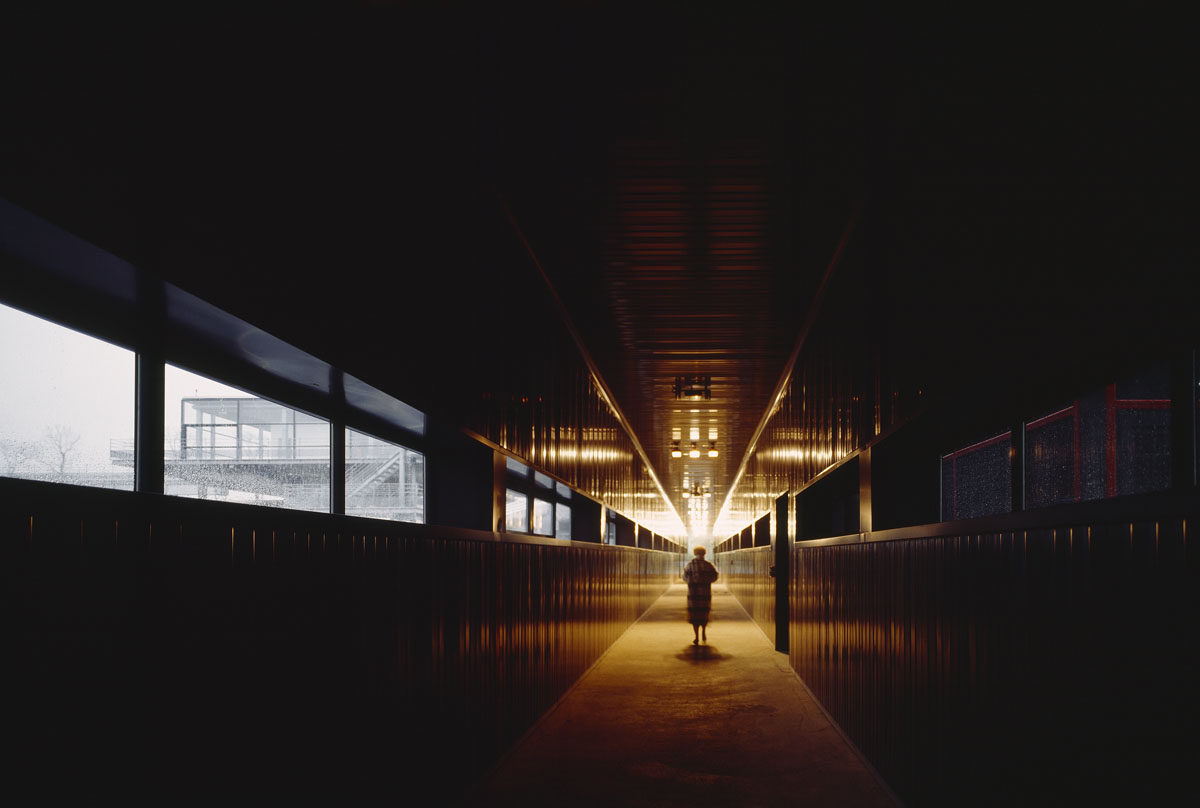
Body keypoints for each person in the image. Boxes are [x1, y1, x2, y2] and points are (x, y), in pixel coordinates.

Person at [681, 546, 719, 644]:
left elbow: (684, 577)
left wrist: (692, 581)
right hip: (705, 594)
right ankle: (704, 632)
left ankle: (696, 636)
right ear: (704, 553)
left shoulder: (689, 565)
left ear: (694, 553)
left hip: (693, 594)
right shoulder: (708, 565)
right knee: (704, 613)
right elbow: (715, 576)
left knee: (694, 614)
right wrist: (706, 581)